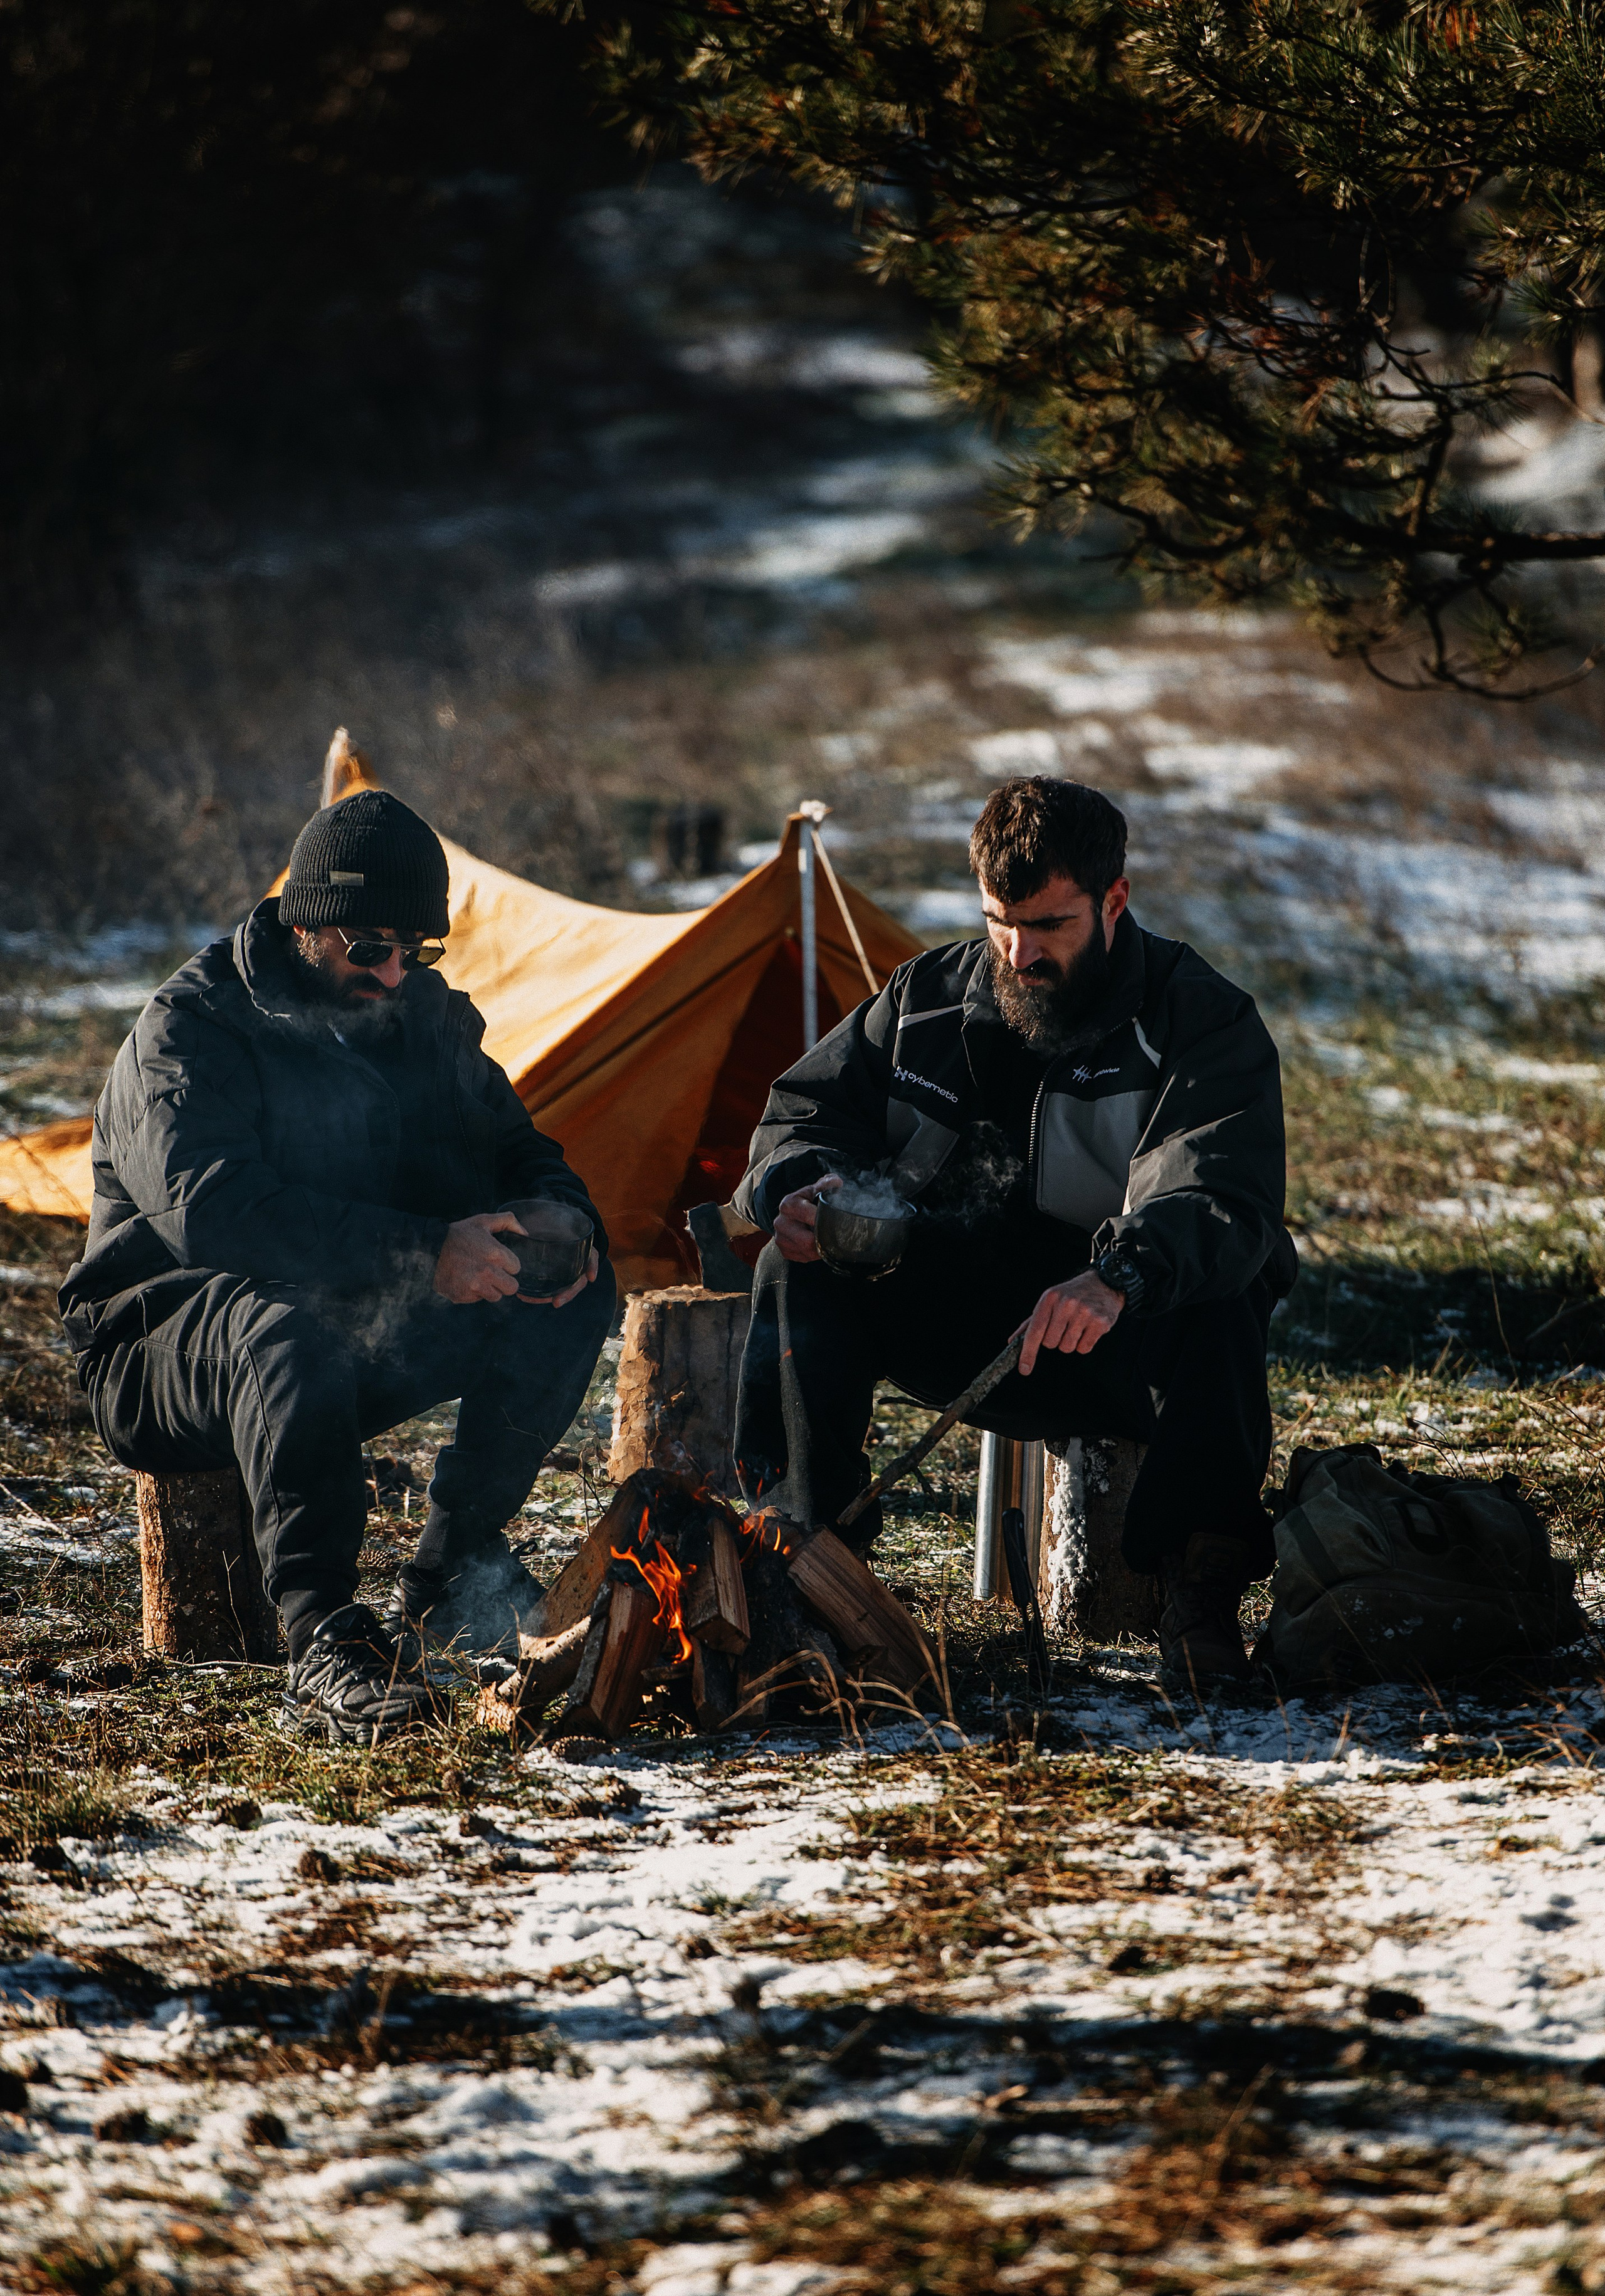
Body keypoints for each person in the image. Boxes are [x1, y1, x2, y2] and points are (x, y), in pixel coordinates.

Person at [58, 789, 614, 1743]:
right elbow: (217, 1216)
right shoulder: (189, 1031)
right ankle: (322, 1639)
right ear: (309, 923)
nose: (396, 973)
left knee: (568, 1287)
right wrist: (423, 1252)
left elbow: (518, 1145)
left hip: (353, 1317)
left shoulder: (421, 1017)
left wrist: (556, 1220)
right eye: (371, 949)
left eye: (418, 952)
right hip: (161, 1347)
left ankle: (453, 1571)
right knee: (287, 1320)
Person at [730, 776, 1295, 1683]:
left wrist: (1120, 1276)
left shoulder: (1201, 1017)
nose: (1020, 951)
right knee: (796, 1270)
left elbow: (1217, 1191)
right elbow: (805, 1109)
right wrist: (800, 1187)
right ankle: (806, 1573)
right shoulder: (928, 997)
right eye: (1001, 920)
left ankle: (1199, 1598)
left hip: (1114, 1336)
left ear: (1115, 901)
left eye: (1049, 926)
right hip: (955, 1320)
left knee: (1231, 1286)